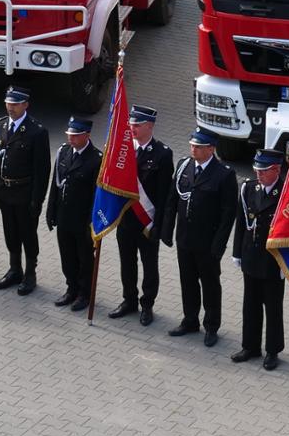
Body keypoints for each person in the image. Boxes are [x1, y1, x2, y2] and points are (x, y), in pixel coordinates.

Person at [168, 129, 234, 346]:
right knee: (187, 281)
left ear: (211, 149)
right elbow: (172, 200)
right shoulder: (184, 166)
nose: (193, 149)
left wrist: (219, 246)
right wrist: (167, 231)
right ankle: (190, 319)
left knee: (210, 285)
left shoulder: (223, 174)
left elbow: (227, 214)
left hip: (207, 244)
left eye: (198, 147)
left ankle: (211, 326)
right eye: (192, 145)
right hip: (185, 239)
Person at [110, 105, 174, 326]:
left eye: (137, 125)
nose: (132, 128)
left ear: (150, 126)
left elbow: (166, 195)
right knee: (126, 263)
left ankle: (147, 305)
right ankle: (129, 300)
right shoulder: (123, 150)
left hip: (147, 222)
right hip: (126, 220)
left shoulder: (163, 154)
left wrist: (161, 225)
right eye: (131, 124)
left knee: (149, 265)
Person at [0, 87, 50, 295]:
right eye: (8, 103)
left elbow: (42, 170)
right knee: (10, 233)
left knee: (27, 234)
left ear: (25, 105)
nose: (11, 108)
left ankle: (30, 273)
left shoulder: (37, 132)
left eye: (15, 104)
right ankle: (14, 269)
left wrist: (37, 200)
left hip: (24, 194)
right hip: (5, 191)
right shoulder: (1, 125)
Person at [232, 149, 287, 369]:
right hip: (251, 256)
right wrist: (237, 252)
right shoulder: (249, 188)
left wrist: (288, 263)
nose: (258, 174)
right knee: (250, 304)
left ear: (276, 170)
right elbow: (241, 222)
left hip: (274, 261)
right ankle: (250, 346)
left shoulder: (286, 193)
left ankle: (273, 350)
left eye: (263, 171)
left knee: (273, 308)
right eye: (256, 169)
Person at [47, 117, 100, 312]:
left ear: (87, 135)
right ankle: (71, 288)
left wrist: (91, 224)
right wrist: (51, 211)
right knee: (67, 255)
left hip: (82, 219)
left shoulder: (96, 159)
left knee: (85, 258)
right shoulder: (63, 152)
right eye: (70, 134)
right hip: (64, 216)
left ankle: (85, 293)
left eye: (76, 135)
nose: (71, 138)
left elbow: (96, 196)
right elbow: (56, 185)